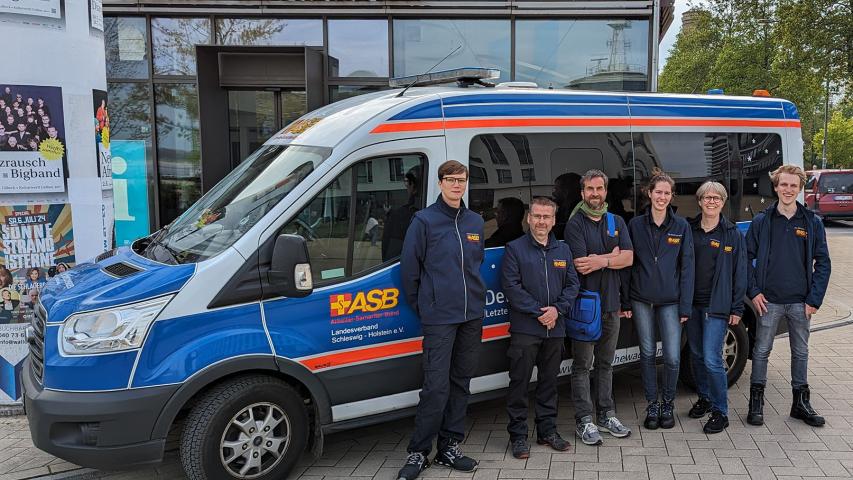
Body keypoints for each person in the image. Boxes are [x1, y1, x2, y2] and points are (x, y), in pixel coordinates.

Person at [398, 160, 485, 480]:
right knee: (435, 387)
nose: (457, 185)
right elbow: (410, 271)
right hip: (439, 318)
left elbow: (475, 264)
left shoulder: (475, 221)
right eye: (451, 179)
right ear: (440, 183)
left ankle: (449, 447)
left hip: (471, 316)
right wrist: (427, 307)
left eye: (461, 180)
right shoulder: (424, 221)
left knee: (461, 383)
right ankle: (419, 452)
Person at [746, 164, 831, 427]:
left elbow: (823, 262)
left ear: (800, 188)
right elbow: (745, 259)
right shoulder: (762, 221)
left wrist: (814, 299)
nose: (788, 189)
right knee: (761, 351)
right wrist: (754, 292)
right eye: (783, 184)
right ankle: (756, 403)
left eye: (794, 185)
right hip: (768, 302)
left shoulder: (812, 222)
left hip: (801, 302)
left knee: (801, 352)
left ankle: (800, 404)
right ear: (776, 187)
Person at [502, 197, 579, 458]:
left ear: (554, 220)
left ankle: (547, 431)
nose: (541, 221)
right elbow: (511, 287)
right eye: (537, 216)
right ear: (528, 218)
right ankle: (518, 437)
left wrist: (557, 310)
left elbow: (573, 285)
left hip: (555, 328)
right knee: (520, 384)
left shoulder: (563, 250)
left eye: (546, 217)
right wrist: (540, 313)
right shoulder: (515, 248)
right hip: (526, 329)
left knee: (549, 383)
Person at [564, 169, 634, 445]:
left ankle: (606, 415)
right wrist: (612, 256)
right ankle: (584, 420)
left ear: (606, 191)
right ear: (582, 193)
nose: (595, 194)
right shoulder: (575, 224)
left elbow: (628, 258)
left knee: (606, 363)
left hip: (611, 304)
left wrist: (601, 260)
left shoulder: (616, 221)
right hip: (585, 306)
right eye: (590, 189)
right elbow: (582, 264)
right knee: (582, 365)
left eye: (599, 188)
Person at [627, 169, 694, 430]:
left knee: (673, 357)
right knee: (646, 354)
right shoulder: (635, 225)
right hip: (641, 298)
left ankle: (668, 404)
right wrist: (625, 301)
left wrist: (685, 305)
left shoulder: (681, 226)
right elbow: (628, 265)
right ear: (649, 193)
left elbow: (687, 268)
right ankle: (652, 405)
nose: (662, 197)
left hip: (671, 301)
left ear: (672, 196)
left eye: (667, 193)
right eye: (658, 192)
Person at [685, 181, 747, 434]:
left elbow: (740, 273)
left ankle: (721, 412)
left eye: (717, 198)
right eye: (707, 197)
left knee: (712, 359)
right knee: (697, 355)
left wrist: (737, 308)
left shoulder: (732, 234)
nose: (711, 201)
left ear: (723, 202)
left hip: (717, 306)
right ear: (699, 201)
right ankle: (705, 398)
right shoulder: (689, 230)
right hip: (692, 305)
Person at [382, 165, 422, 261]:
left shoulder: (400, 217)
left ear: (413, 186)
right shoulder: (443, 214)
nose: (406, 186)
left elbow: (391, 259)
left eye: (407, 182)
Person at [553, 172, 582, 240]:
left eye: (556, 189)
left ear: (566, 191)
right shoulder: (565, 208)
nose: (553, 193)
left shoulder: (579, 211)